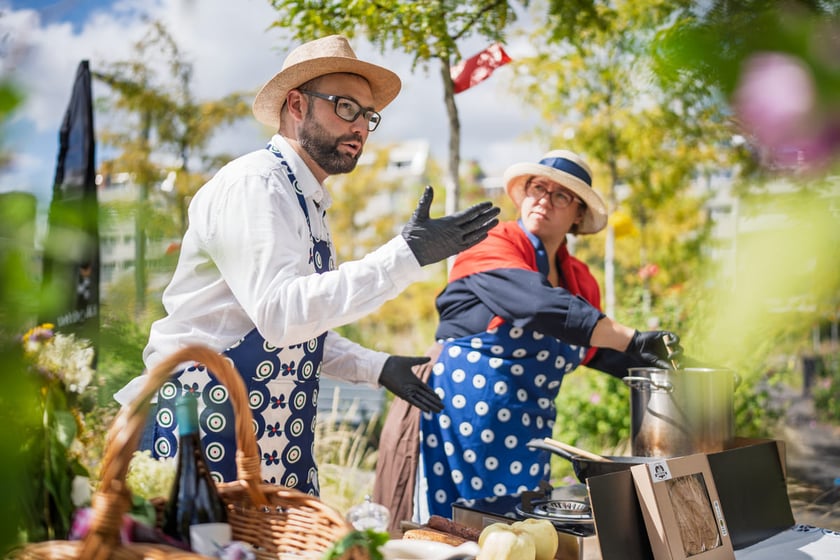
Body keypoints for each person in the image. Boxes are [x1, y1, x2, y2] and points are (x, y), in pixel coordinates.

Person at [114, 35, 500, 495]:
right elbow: (281, 316)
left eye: (368, 115)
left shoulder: (307, 200)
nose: (360, 127)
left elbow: (292, 331)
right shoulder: (255, 185)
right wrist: (406, 255)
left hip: (268, 439)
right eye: (345, 107)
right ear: (296, 105)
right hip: (202, 428)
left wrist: (376, 365)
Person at [375, 149, 683, 524]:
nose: (544, 200)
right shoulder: (491, 244)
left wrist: (679, 369)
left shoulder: (580, 281)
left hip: (526, 437)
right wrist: (633, 338)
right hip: (457, 429)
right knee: (455, 535)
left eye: (561, 195)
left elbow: (597, 350)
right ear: (523, 195)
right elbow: (537, 305)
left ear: (578, 215)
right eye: (538, 187)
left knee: (522, 538)